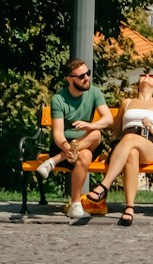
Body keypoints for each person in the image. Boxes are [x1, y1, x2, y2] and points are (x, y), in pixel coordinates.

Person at [82, 67, 153, 225]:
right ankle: (129, 208)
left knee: (130, 139)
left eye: (151, 76)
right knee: (131, 153)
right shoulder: (127, 103)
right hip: (125, 145)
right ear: (138, 82)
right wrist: (109, 150)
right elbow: (116, 132)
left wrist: (151, 128)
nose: (146, 77)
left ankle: (104, 186)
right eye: (143, 75)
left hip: (150, 144)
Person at [34, 60, 113, 220]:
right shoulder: (59, 99)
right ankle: (76, 204)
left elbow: (108, 119)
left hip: (87, 141)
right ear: (70, 79)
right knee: (85, 156)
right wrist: (67, 149)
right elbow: (57, 133)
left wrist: (89, 125)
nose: (87, 78)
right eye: (81, 76)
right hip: (63, 146)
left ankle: (53, 162)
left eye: (88, 73)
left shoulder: (94, 92)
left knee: (96, 134)